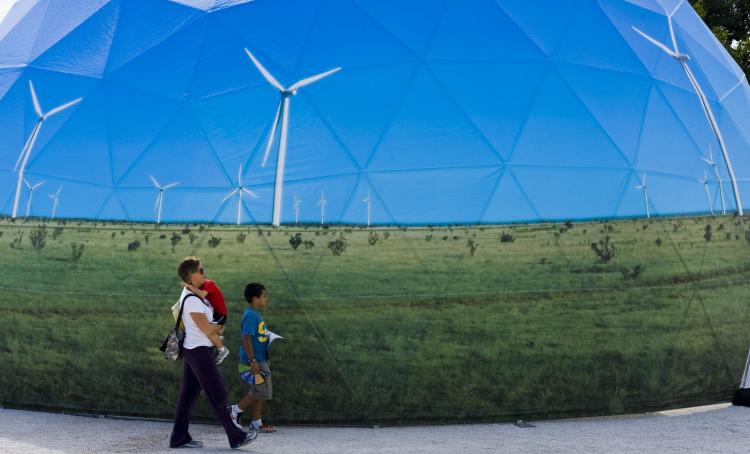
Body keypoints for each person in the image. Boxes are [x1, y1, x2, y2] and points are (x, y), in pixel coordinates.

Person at [169, 257, 257, 449]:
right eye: (200, 270)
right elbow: (207, 329)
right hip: (198, 350)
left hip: (196, 349)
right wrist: (219, 329)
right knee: (217, 393)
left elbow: (209, 326)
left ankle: (178, 437)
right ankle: (236, 436)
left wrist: (215, 328)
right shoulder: (191, 300)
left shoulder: (196, 294)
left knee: (187, 396)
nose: (204, 272)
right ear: (191, 275)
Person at [229, 283, 277, 433]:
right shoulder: (250, 315)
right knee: (261, 391)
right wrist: (253, 361)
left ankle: (256, 423)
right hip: (255, 361)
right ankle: (234, 411)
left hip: (261, 358)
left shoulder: (255, 313)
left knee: (258, 390)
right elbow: (246, 339)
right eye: (264, 296)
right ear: (255, 299)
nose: (266, 299)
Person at [183, 277, 229, 364]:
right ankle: (218, 336)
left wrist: (189, 286)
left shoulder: (209, 284)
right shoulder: (204, 285)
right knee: (210, 330)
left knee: (209, 332)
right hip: (215, 313)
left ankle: (222, 350)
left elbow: (202, 294)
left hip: (220, 314)